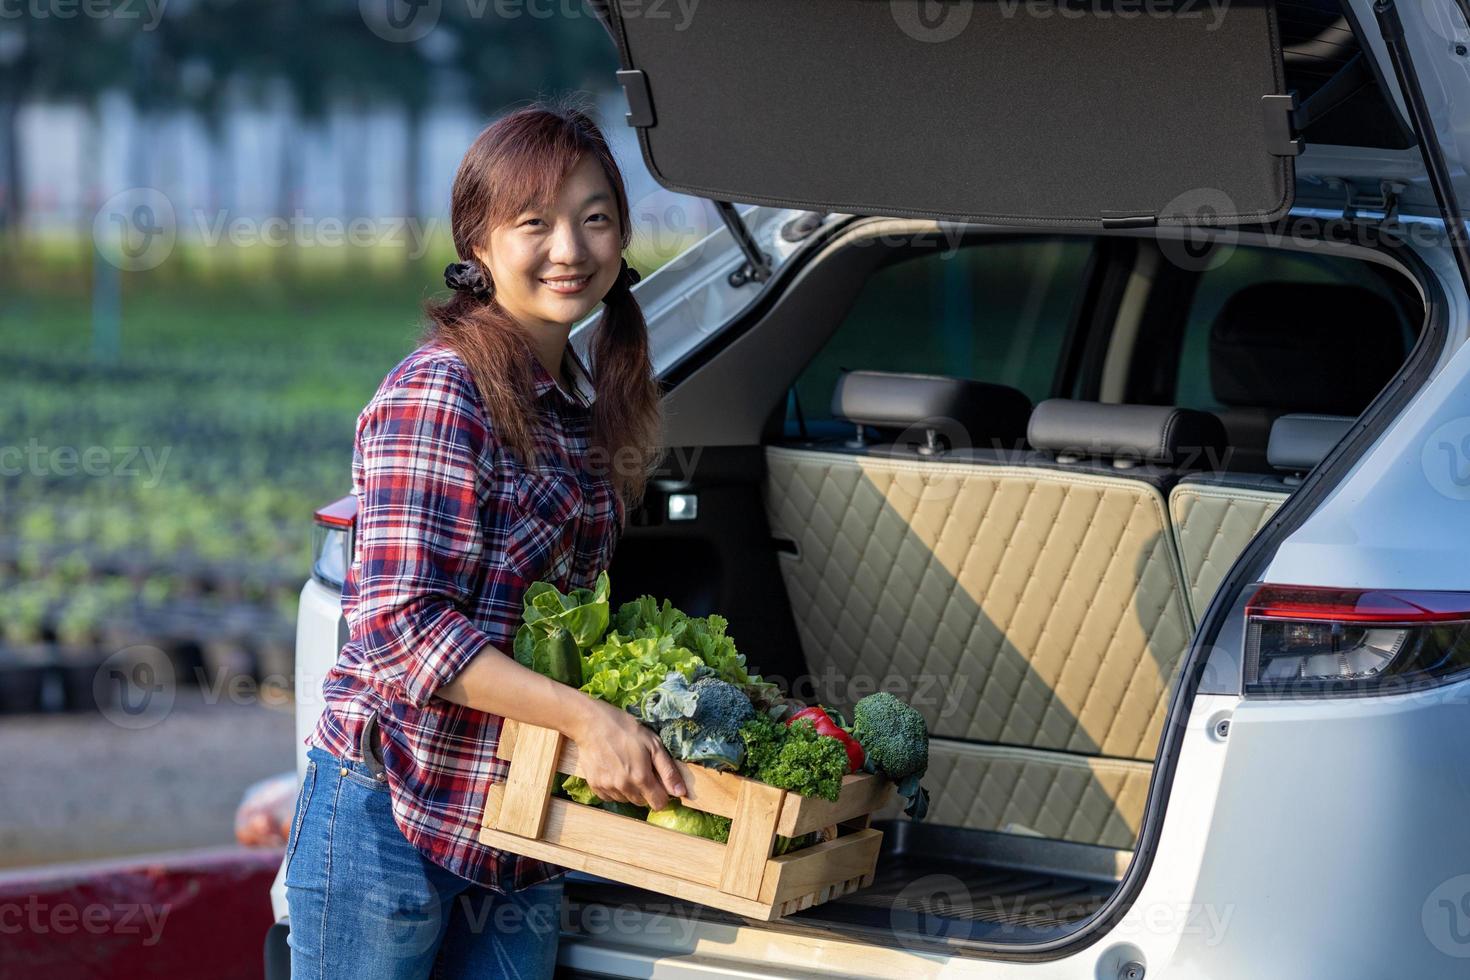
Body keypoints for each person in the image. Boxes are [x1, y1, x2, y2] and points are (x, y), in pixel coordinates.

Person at [283, 98, 684, 980]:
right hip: (390, 812)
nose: (569, 251)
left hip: (516, 822)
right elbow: (399, 628)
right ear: (479, 242)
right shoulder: (441, 392)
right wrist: (591, 719)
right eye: (534, 223)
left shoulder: (590, 404)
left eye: (595, 220)